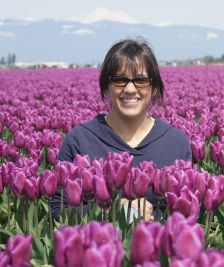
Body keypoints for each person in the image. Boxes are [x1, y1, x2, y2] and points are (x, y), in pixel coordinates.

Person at [51, 39, 192, 221]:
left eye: (141, 80)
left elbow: (185, 209)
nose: (130, 89)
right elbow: (57, 210)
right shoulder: (80, 140)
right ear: (106, 88)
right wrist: (114, 211)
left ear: (155, 88)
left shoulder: (176, 142)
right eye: (119, 80)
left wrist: (146, 216)